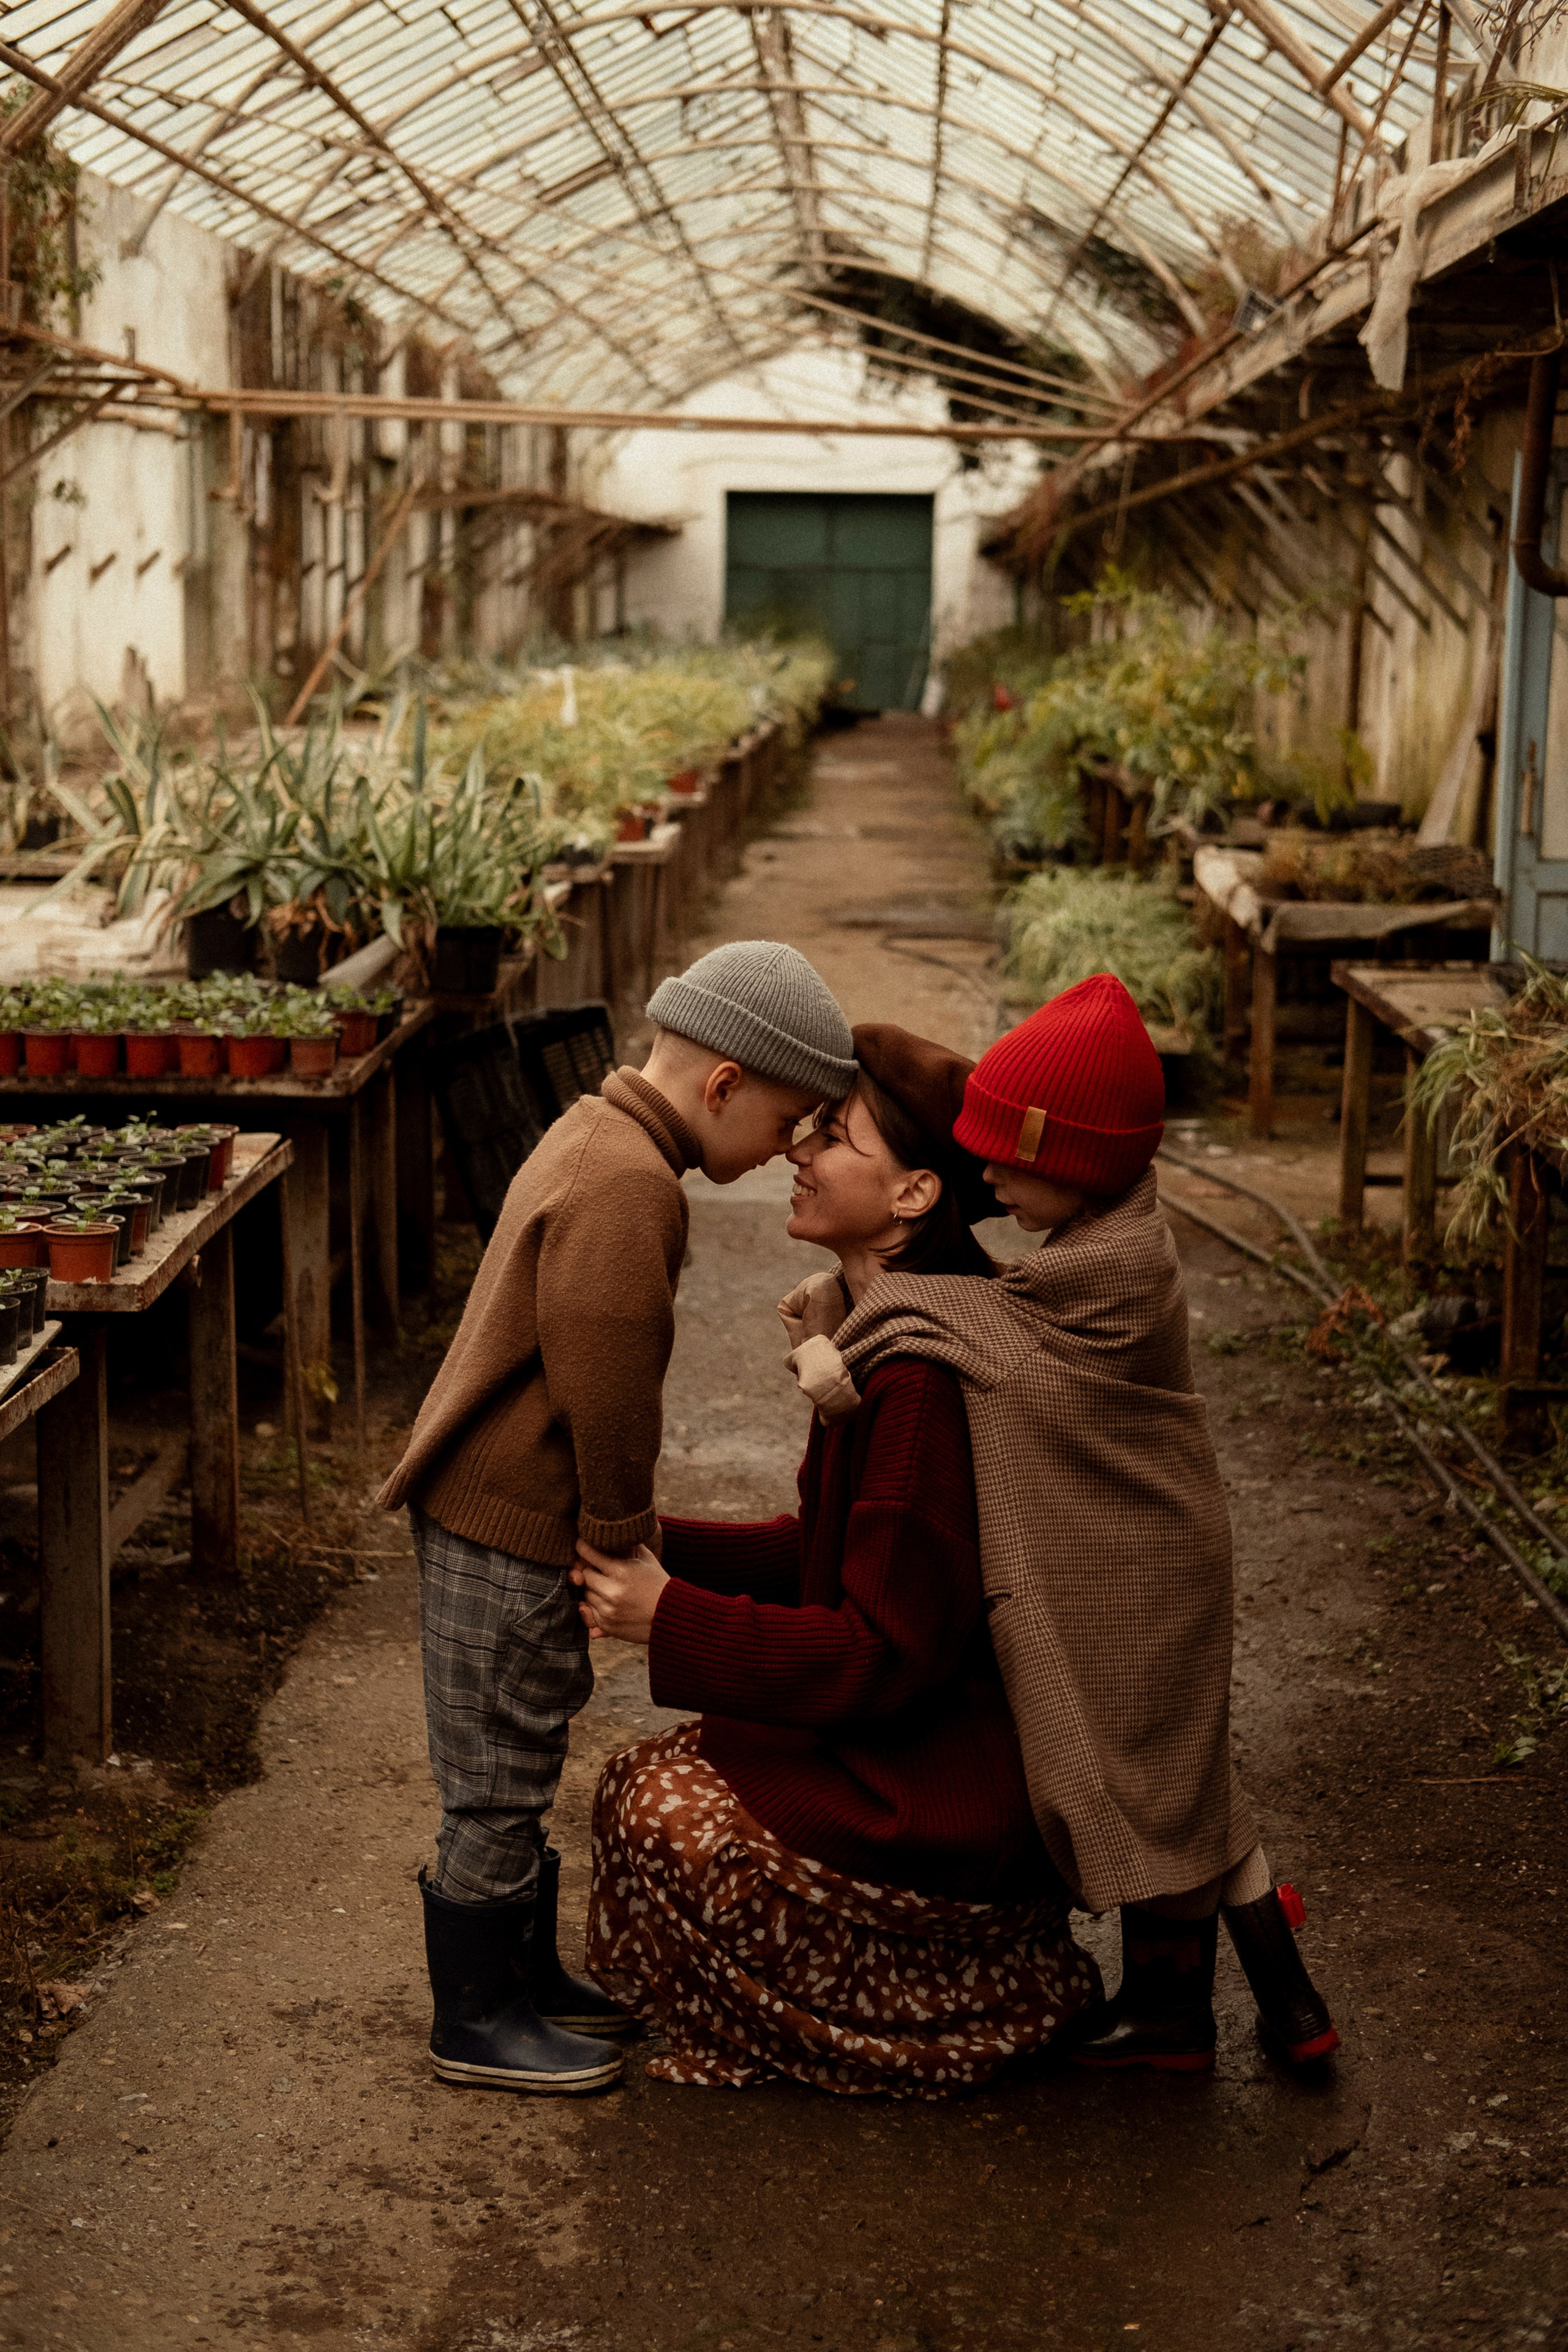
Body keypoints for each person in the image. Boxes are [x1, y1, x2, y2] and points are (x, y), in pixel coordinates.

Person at [773, 976, 1338, 2075]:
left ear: (1070, 1161)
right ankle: (1228, 2013)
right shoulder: (1099, 1238)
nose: (984, 1179)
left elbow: (977, 1326)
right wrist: (858, 1322)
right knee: (1178, 1780)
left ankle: (1244, 2009)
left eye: (1004, 1159)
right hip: (1139, 1547)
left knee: (1162, 1776)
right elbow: (987, 1320)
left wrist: (855, 1329)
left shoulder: (1117, 1269)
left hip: (1152, 1554)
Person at [571, 1028, 1099, 2095]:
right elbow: (837, 1549)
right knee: (648, 1780)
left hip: (942, 1793)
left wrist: (668, 1616)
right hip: (932, 1755)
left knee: (653, 1809)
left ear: (911, 1196)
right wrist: (661, 1548)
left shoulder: (918, 1381)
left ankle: (931, 2021)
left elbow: (882, 1651)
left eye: (836, 1134)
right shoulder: (900, 1320)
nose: (799, 1152)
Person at [379, 941, 855, 2096]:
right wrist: (620, 1527)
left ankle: (524, 1974)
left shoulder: (603, 1135)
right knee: (497, 1763)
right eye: (791, 1119)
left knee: (525, 1737)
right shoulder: (627, 1183)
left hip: (502, 1508)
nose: (792, 1149)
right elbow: (607, 1382)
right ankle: (476, 2017)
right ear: (725, 1087)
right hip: (510, 1516)